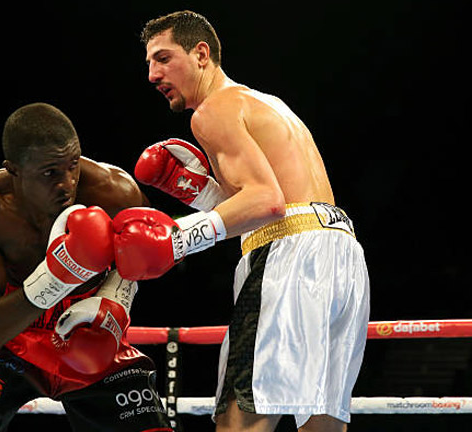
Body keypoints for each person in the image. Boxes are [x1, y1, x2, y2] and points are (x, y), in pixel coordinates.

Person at [112, 10, 370, 432]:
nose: (152, 75)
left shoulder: (212, 111)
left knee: (240, 418)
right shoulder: (267, 103)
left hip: (288, 258)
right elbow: (277, 199)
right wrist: (203, 194)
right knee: (322, 424)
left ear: (201, 54)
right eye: (148, 64)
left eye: (163, 58)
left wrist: (177, 238)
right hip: (340, 255)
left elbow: (267, 203)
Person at [0, 102, 173, 432]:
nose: (68, 182)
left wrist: (114, 301)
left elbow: (148, 254)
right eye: (50, 173)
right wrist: (56, 278)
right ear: (13, 170)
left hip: (86, 329)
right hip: (9, 342)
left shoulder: (114, 192)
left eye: (73, 165)